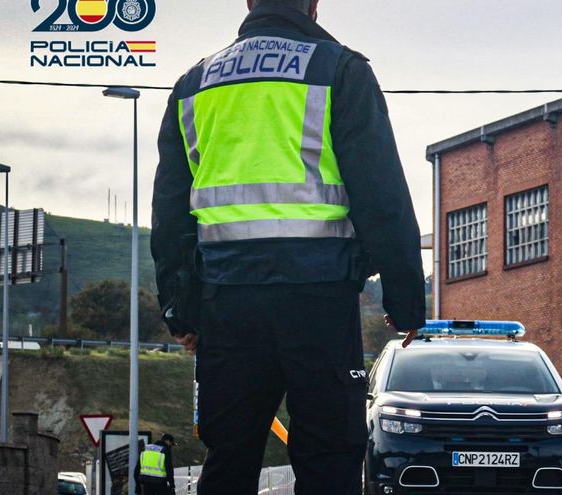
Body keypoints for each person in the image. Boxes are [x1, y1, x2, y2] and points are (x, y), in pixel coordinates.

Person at [150, 0, 426, 493]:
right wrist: (404, 301)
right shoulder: (339, 69)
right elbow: (379, 191)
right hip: (318, 297)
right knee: (328, 455)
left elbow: (171, 210)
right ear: (313, 3)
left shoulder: (195, 83)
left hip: (227, 299)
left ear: (249, 2)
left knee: (229, 452)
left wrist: (181, 309)